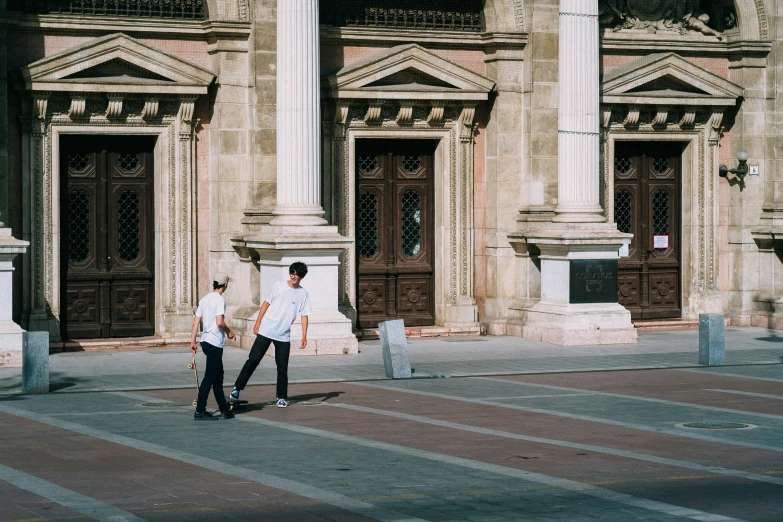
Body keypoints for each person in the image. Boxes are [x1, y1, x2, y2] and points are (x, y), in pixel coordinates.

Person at [230, 262, 311, 408]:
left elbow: (304, 315)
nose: (293, 276)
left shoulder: (303, 293)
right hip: (267, 329)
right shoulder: (278, 286)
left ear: (301, 276)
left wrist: (304, 336)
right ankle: (237, 389)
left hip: (283, 335)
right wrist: (258, 322)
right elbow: (266, 303)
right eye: (291, 273)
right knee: (253, 359)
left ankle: (281, 397)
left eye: (296, 274)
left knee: (282, 367)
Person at [191, 272, 236, 420]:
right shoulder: (220, 300)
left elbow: (197, 321)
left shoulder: (205, 299)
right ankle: (200, 410)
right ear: (226, 285)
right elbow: (219, 322)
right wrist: (229, 332)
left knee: (218, 376)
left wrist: (193, 341)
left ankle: (223, 409)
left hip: (205, 340)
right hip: (215, 341)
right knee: (210, 377)